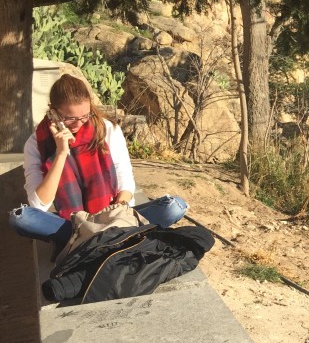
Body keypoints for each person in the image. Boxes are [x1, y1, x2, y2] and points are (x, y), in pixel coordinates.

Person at [8, 74, 188, 247]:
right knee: (21, 218)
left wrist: (117, 210)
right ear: (53, 113)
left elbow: (124, 175)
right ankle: (104, 238)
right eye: (70, 119)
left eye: (85, 116)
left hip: (112, 216)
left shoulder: (106, 129)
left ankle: (97, 238)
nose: (79, 124)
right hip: (72, 224)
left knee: (174, 207)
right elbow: (39, 204)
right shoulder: (36, 143)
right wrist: (61, 153)